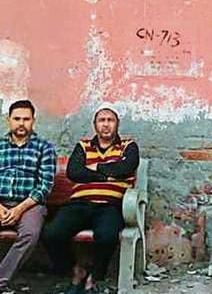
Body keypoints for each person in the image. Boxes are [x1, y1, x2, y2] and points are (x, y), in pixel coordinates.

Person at [44, 103, 140, 294]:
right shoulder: (83, 146)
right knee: (51, 234)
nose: (106, 125)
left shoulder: (128, 146)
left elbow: (127, 167)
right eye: (101, 120)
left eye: (110, 120)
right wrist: (109, 174)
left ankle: (94, 276)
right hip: (79, 203)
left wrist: (94, 169)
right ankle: (76, 270)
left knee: (106, 236)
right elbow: (74, 172)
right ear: (95, 125)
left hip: (110, 205)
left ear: (117, 124)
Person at [0, 100, 56, 294]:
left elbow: (45, 186)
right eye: (17, 119)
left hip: (30, 205)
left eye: (26, 119)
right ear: (8, 120)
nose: (21, 123)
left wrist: (18, 209)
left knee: (30, 235)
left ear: (33, 121)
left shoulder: (45, 148)